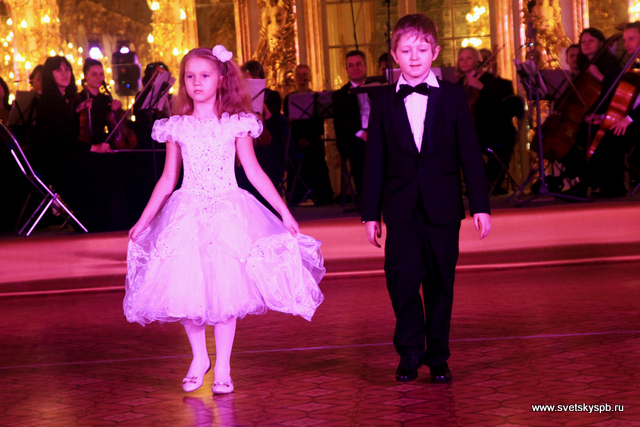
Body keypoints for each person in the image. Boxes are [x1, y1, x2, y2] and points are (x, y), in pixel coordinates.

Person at [124, 46, 325, 396]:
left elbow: (254, 172)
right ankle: (199, 357)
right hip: (187, 212)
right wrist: (144, 220)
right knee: (186, 287)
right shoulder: (177, 127)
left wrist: (284, 212)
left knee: (226, 289)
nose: (196, 82)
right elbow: (168, 179)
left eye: (204, 75)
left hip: (228, 211)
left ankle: (224, 367)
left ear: (220, 79)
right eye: (190, 76)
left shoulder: (236, 124)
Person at [361, 13, 491, 384]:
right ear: (394, 55)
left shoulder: (453, 95)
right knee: (401, 280)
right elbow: (374, 159)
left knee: (439, 283)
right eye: (406, 50)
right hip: (400, 207)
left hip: (442, 206)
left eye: (422, 49)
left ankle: (437, 355)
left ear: (435, 52)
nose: (414, 57)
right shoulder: (383, 100)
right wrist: (370, 214)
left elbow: (469, 152)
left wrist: (480, 205)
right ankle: (409, 351)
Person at [32, 56, 130, 231]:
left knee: (107, 162)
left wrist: (77, 111)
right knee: (105, 164)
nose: (65, 74)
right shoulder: (50, 100)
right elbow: (62, 139)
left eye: (67, 69)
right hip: (54, 163)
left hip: (61, 157)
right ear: (50, 74)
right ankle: (106, 223)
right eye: (58, 70)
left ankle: (104, 221)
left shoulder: (60, 99)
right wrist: (93, 148)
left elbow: (65, 133)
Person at [574, 22, 640, 197]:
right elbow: (628, 101)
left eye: (631, 39)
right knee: (604, 131)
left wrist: (628, 119)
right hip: (634, 118)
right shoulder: (635, 65)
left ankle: (588, 185)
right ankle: (606, 185)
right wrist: (604, 116)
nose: (626, 43)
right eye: (625, 39)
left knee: (610, 136)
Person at [457, 46, 517, 194]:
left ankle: (484, 182)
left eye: (469, 58)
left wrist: (482, 88)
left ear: (478, 60)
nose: (464, 61)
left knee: (466, 142)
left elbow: (497, 108)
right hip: (472, 130)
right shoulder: (460, 83)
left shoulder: (490, 80)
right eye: (461, 59)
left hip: (493, 129)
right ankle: (482, 182)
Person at [238, 59, 287, 213]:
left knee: (265, 157)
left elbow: (273, 121)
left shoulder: (272, 95)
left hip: (268, 141)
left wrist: (259, 103)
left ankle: (269, 206)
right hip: (249, 142)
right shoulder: (239, 96)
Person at [283, 64, 334, 205]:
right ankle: (296, 196)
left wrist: (310, 139)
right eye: (299, 74)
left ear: (310, 77)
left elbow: (319, 121)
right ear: (295, 78)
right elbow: (289, 122)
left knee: (316, 155)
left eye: (305, 74)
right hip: (296, 141)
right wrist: (299, 139)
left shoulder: (316, 98)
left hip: (313, 139)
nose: (302, 77)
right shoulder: (289, 98)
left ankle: (322, 196)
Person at [332, 50, 370, 199]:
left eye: (358, 64)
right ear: (347, 69)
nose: (355, 68)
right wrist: (362, 134)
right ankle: (366, 200)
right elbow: (342, 124)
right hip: (354, 137)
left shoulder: (377, 89)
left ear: (365, 66)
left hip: (376, 134)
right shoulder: (340, 95)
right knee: (359, 150)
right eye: (351, 65)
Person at [77, 58, 136, 149]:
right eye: (94, 74)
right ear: (85, 76)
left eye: (101, 74)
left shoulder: (106, 99)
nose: (99, 78)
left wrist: (118, 111)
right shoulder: (78, 99)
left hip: (104, 144)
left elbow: (115, 128)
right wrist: (79, 109)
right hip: (85, 147)